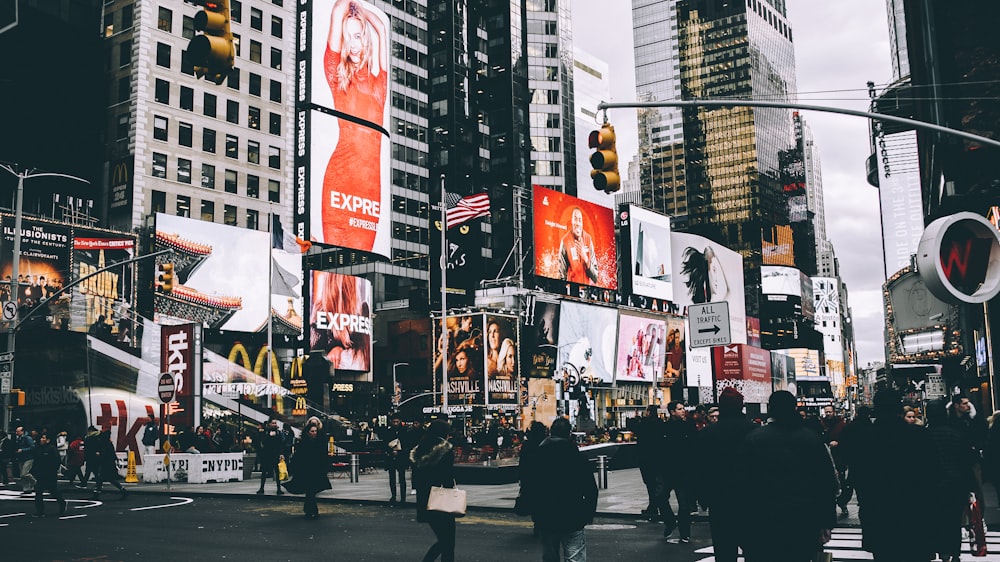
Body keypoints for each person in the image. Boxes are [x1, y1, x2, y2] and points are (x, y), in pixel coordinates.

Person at [737, 391, 838, 562]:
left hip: (763, 520)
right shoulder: (811, 439)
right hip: (803, 520)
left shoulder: (754, 439)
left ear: (771, 409)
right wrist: (826, 522)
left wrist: (742, 525)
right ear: (794, 408)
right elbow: (826, 484)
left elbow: (743, 484)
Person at [320, 0, 388, 251]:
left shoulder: (379, 85)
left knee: (358, 272)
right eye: (347, 38)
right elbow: (338, 9)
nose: (353, 44)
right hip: (338, 185)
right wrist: (350, 9)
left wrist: (359, 10)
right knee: (330, 273)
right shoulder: (336, 76)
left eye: (358, 36)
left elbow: (381, 27)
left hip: (368, 194)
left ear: (366, 39)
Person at [843, 389, 938, 561]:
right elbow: (932, 475)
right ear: (899, 408)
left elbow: (859, 478)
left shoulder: (865, 439)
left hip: (879, 514)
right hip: (914, 513)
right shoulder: (919, 435)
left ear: (876, 409)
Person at [524, 416, 599, 562]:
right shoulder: (578, 458)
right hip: (573, 516)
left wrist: (536, 513)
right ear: (569, 434)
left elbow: (530, 487)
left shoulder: (538, 457)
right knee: (574, 557)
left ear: (550, 433)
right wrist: (588, 514)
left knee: (550, 556)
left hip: (546, 516)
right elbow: (591, 490)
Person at [696, 388, 757, 562]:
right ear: (741, 406)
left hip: (720, 500)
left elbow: (700, 469)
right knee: (753, 550)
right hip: (750, 500)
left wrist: (703, 497)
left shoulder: (707, 434)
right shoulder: (755, 431)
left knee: (724, 553)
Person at [925, 399, 976, 562]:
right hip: (955, 483)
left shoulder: (924, 435)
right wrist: (970, 486)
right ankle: (955, 552)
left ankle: (942, 551)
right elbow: (966, 461)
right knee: (954, 520)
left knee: (935, 519)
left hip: (932, 485)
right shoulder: (955, 433)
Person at [411, 420, 458, 562]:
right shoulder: (445, 449)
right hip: (440, 499)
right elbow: (448, 476)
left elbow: (416, 479)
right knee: (448, 541)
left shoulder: (420, 448)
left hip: (424, 498)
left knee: (444, 540)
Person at [660, 401, 696, 543]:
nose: (683, 411)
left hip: (683, 471)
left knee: (684, 504)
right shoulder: (664, 428)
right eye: (680, 409)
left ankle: (684, 532)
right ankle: (670, 522)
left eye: (683, 409)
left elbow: (694, 447)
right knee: (661, 498)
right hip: (669, 471)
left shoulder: (688, 426)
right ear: (672, 412)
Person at [948, 393, 987, 510]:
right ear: (956, 405)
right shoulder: (951, 422)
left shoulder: (971, 420)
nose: (968, 406)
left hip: (971, 460)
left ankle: (978, 518)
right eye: (964, 403)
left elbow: (982, 434)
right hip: (957, 462)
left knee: (978, 491)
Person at [293, 420, 332, 520]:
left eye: (315, 431)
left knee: (311, 491)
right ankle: (312, 510)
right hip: (306, 469)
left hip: (316, 469)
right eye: (312, 431)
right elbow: (299, 457)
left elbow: (323, 456)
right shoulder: (303, 443)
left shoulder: (320, 441)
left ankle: (308, 510)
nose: (314, 433)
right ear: (307, 432)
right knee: (310, 491)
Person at [633, 404, 665, 520]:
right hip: (658, 457)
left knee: (650, 483)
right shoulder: (661, 423)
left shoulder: (644, 423)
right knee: (657, 483)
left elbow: (635, 430)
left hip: (646, 457)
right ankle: (655, 506)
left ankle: (654, 507)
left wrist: (637, 418)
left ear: (649, 412)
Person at [516, 421, 548, 531]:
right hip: (544, 478)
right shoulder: (546, 444)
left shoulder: (527, 445)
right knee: (543, 501)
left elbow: (523, 463)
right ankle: (542, 522)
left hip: (530, 478)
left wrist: (521, 478)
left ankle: (537, 523)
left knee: (534, 501)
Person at [820, 404, 850, 518]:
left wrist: (839, 443)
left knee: (841, 484)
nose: (828, 414)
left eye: (829, 412)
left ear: (834, 412)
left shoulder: (841, 425)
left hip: (838, 458)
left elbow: (847, 440)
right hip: (825, 458)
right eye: (826, 412)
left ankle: (843, 505)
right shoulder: (821, 424)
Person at [557, 208, 599, 284]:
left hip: (587, 291)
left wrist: (585, 258)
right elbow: (561, 276)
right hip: (572, 291)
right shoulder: (565, 241)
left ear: (582, 223)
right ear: (571, 221)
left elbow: (595, 277)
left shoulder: (588, 239)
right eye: (575, 219)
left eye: (580, 220)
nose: (578, 223)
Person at [31, 433, 67, 517]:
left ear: (48, 440)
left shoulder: (51, 449)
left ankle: (62, 502)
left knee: (53, 491)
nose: (41, 439)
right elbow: (36, 460)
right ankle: (40, 511)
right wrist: (34, 470)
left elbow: (57, 461)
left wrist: (53, 470)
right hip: (40, 474)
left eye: (44, 438)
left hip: (50, 474)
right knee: (38, 492)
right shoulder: (38, 448)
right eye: (41, 438)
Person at [382, 414, 410, 505]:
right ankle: (393, 496)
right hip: (391, 457)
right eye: (394, 422)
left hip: (401, 457)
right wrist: (390, 451)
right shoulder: (388, 431)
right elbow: (384, 443)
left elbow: (406, 444)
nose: (395, 423)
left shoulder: (404, 431)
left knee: (402, 478)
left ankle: (403, 497)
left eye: (397, 422)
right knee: (392, 478)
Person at [91, 429, 128, 500]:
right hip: (109, 464)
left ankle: (97, 493)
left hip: (106, 464)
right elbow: (112, 455)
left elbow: (107, 454)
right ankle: (123, 490)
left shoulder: (105, 444)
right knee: (109, 479)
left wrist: (100, 454)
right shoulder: (108, 443)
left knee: (101, 479)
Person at [257, 419, 286, 495]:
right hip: (266, 455)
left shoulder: (278, 432)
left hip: (275, 454)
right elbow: (263, 442)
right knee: (264, 472)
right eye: (273, 423)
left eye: (275, 423)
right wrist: (269, 436)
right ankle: (261, 488)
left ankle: (278, 489)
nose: (274, 424)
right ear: (269, 424)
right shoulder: (265, 432)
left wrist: (281, 454)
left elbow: (281, 444)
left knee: (277, 472)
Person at [13, 425, 35, 494]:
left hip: (28, 458)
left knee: (24, 473)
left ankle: (35, 482)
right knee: (22, 475)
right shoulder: (19, 438)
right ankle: (27, 488)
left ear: (22, 431)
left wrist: (22, 450)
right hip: (21, 458)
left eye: (18, 431)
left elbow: (32, 447)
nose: (16, 432)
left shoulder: (27, 438)